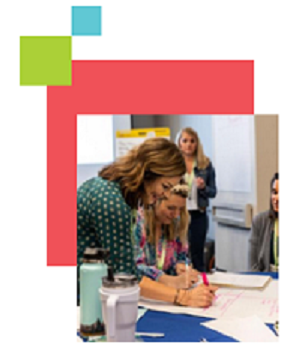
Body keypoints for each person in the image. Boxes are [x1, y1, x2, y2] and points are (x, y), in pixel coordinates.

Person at [77, 137, 216, 308]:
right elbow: (126, 276)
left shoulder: (111, 190)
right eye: (165, 186)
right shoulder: (112, 202)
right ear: (148, 173)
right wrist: (183, 297)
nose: (164, 195)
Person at [135, 181, 201, 289]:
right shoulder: (137, 223)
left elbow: (182, 256)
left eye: (180, 209)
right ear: (155, 201)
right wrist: (167, 280)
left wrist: (180, 266)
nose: (176, 214)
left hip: (165, 297)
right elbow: (132, 268)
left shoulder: (177, 222)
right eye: (171, 208)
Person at [176, 127, 217, 272]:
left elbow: (213, 192)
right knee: (179, 252)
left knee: (197, 253)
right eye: (185, 140)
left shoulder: (205, 164)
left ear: (197, 144)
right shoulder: (174, 164)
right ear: (179, 143)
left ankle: (201, 285)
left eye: (192, 141)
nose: (188, 144)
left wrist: (203, 187)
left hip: (198, 213)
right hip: (178, 213)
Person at [250, 173, 279, 272]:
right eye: (274, 192)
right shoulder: (259, 221)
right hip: (266, 283)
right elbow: (253, 267)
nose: (277, 199)